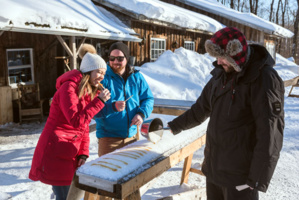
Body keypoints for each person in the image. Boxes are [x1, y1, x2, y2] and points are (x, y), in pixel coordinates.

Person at [168, 27, 284, 200]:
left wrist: (256, 179)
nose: (218, 62)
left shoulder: (264, 78)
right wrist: (171, 128)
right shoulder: (220, 75)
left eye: (222, 57)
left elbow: (270, 133)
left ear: (236, 54)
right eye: (217, 57)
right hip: (214, 171)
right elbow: (199, 110)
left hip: (240, 177)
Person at [29, 44, 111, 200]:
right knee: (66, 196)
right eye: (99, 72)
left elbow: (84, 127)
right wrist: (99, 102)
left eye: (104, 73)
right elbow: (76, 121)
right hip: (55, 150)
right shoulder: (69, 88)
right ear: (88, 71)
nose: (102, 77)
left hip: (70, 151)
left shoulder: (87, 90)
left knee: (72, 195)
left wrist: (83, 154)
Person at [94, 41, 154, 156]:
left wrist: (141, 114)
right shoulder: (102, 78)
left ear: (126, 59)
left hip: (132, 137)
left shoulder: (136, 77)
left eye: (120, 59)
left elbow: (148, 98)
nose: (115, 62)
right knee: (107, 172)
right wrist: (113, 107)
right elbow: (94, 111)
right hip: (109, 139)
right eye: (112, 58)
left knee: (131, 172)